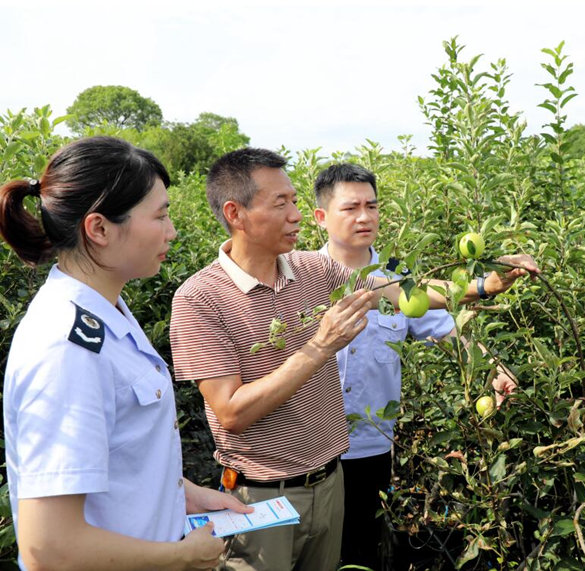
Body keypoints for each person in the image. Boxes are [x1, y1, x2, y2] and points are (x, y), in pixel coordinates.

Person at [168, 147, 537, 571]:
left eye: (294, 201)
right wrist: (319, 347)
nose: (297, 215)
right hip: (260, 497)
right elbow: (230, 412)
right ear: (236, 213)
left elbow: (402, 293)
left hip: (331, 483)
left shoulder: (312, 271)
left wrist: (483, 284)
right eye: (281, 203)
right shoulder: (199, 298)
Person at [0, 136, 252, 571]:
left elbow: (116, 458)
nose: (172, 231)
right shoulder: (67, 349)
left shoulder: (106, 309)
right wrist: (180, 558)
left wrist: (183, 494)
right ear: (99, 229)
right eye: (161, 216)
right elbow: (49, 548)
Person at [313, 163, 519, 569]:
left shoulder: (401, 276)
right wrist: (478, 286)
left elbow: (447, 331)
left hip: (370, 446)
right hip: (309, 447)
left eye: (372, 206)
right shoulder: (300, 275)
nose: (365, 217)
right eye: (351, 207)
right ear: (321, 218)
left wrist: (493, 368)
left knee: (360, 552)